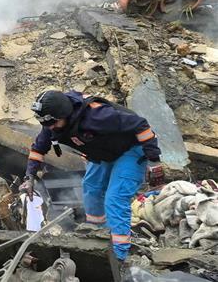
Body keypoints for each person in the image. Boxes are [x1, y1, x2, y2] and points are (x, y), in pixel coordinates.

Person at [21, 89, 163, 274]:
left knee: (115, 197)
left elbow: (141, 125)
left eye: (53, 123)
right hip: (103, 151)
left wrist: (153, 160)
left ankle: (117, 255)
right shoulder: (53, 124)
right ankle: (98, 234)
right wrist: (30, 176)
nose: (49, 128)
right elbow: (38, 148)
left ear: (65, 114)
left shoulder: (98, 116)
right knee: (91, 188)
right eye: (45, 124)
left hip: (131, 149)